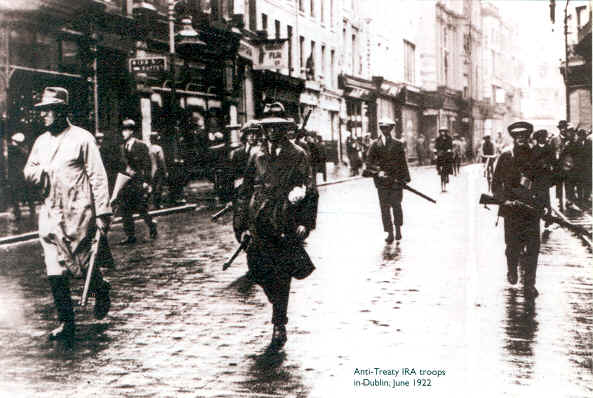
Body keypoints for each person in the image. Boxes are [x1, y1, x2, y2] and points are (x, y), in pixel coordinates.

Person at [24, 86, 112, 345]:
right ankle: (66, 322)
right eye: (42, 111)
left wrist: (102, 212)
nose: (43, 116)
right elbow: (29, 169)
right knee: (54, 268)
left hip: (79, 212)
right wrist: (38, 173)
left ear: (61, 112)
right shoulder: (41, 142)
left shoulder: (82, 139)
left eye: (48, 110)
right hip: (51, 212)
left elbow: (97, 176)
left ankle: (101, 288)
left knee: (84, 264)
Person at [233, 108, 318, 351]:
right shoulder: (257, 155)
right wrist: (241, 225)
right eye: (267, 128)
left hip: (285, 220)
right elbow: (245, 190)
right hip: (258, 219)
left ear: (284, 131)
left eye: (276, 128)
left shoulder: (298, 154)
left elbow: (309, 189)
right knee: (257, 269)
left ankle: (279, 323)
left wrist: (305, 222)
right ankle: (276, 301)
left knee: (281, 274)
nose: (271, 132)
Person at [492, 121, 546, 298]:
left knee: (533, 248)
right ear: (513, 138)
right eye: (517, 136)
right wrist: (503, 201)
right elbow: (496, 183)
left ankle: (530, 284)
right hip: (512, 210)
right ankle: (512, 269)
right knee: (512, 246)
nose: (521, 139)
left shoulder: (536, 156)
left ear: (528, 136)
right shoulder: (506, 156)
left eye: (524, 135)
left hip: (531, 210)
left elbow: (542, 183)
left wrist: (545, 206)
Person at [366, 117, 411, 243]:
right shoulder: (374, 145)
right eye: (382, 128)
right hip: (382, 183)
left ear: (391, 129)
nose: (385, 130)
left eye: (387, 128)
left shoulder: (397, 144)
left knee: (396, 205)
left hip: (396, 181)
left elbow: (403, 163)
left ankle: (398, 229)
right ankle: (389, 232)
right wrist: (377, 172)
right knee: (384, 208)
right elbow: (369, 163)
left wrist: (405, 179)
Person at [115, 119, 158, 244]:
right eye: (123, 130)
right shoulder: (122, 147)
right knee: (125, 209)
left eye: (126, 130)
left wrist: (147, 181)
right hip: (126, 183)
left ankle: (152, 225)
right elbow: (121, 165)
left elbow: (147, 164)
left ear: (132, 131)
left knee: (141, 208)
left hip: (138, 182)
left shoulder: (141, 145)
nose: (124, 133)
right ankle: (130, 235)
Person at [7, 132, 36, 220]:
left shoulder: (14, 149)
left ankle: (18, 213)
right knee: (27, 193)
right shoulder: (23, 150)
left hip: (16, 175)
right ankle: (31, 210)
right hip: (22, 174)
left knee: (15, 194)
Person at [149, 131, 168, 209]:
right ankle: (157, 204)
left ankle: (151, 203)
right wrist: (165, 171)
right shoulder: (158, 148)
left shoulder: (148, 148)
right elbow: (161, 160)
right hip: (158, 170)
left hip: (150, 170)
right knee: (159, 187)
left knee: (152, 186)